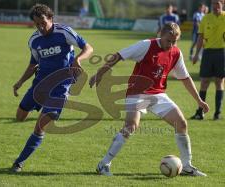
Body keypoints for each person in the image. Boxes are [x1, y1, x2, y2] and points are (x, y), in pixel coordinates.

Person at [89, 23, 209, 177]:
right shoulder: (146, 45)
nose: (171, 44)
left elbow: (185, 78)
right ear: (160, 35)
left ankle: (187, 166)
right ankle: (103, 164)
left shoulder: (176, 53)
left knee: (181, 123)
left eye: (174, 41)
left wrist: (199, 100)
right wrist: (100, 73)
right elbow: (119, 55)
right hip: (137, 92)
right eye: (168, 41)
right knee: (131, 126)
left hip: (158, 94)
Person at [11, 4, 93, 172]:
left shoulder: (64, 32)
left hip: (61, 86)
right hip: (40, 83)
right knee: (20, 116)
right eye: (37, 24)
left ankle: (18, 162)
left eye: (43, 23)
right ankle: (44, 110)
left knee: (40, 126)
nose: (41, 27)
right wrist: (20, 82)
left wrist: (78, 60)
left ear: (50, 19)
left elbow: (88, 47)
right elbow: (33, 64)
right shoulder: (34, 40)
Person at [191, 0, 224, 120]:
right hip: (208, 53)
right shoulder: (205, 18)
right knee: (204, 82)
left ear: (223, 4)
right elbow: (200, 36)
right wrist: (196, 54)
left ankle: (217, 113)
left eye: (218, 4)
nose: (215, 6)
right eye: (214, 3)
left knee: (219, 82)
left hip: (222, 53)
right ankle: (200, 112)